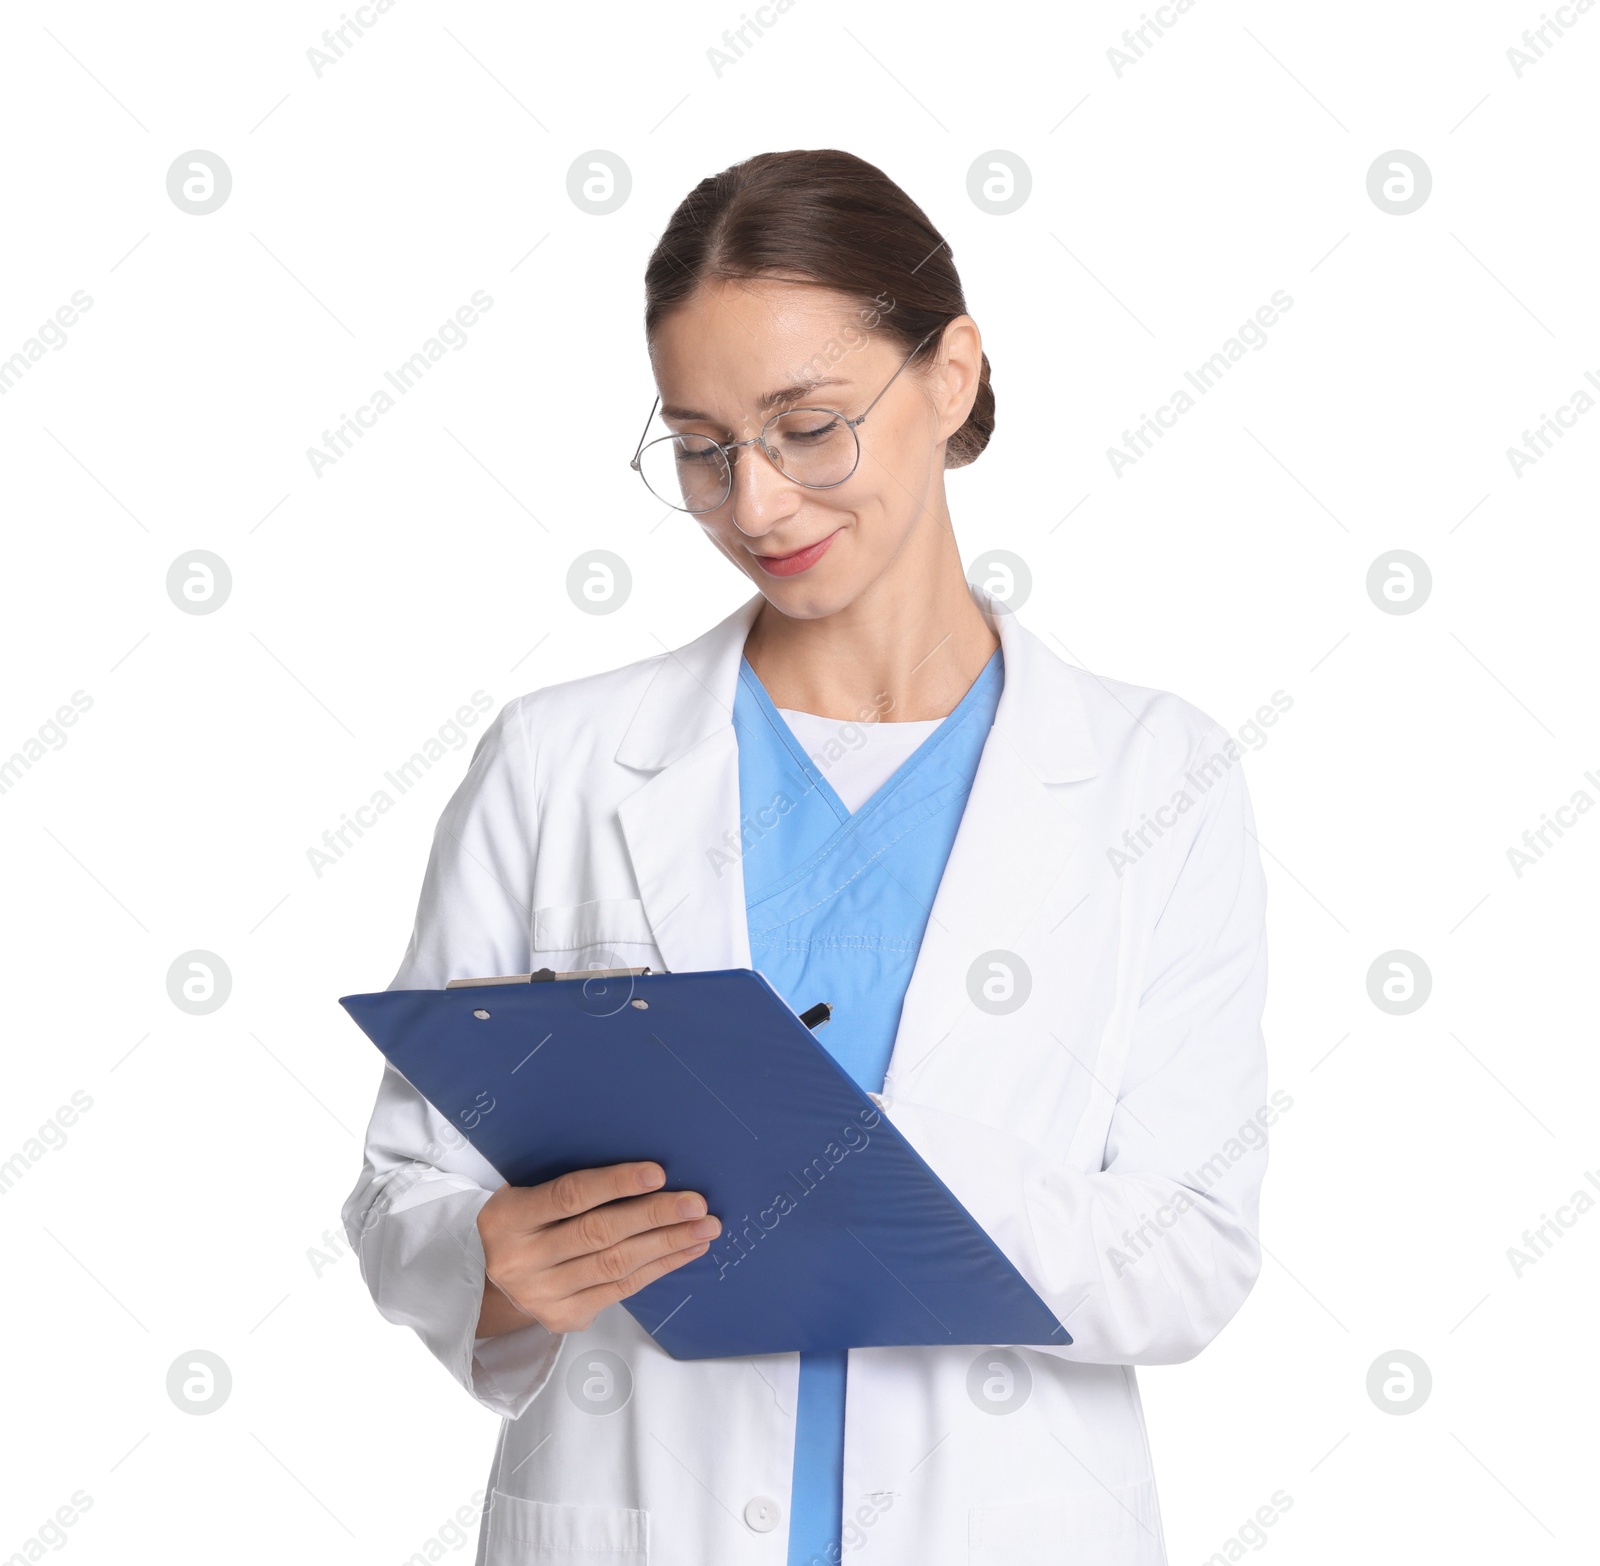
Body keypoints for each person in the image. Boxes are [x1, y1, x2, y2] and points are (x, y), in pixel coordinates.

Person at [343, 148, 1270, 1566]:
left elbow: (1191, 1254)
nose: (757, 504)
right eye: (703, 446)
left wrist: (861, 1162)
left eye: (810, 425)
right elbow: (404, 1182)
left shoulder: (1156, 777)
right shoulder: (560, 760)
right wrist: (493, 1265)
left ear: (951, 375)